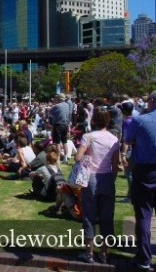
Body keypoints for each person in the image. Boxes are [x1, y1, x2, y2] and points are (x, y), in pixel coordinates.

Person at [75, 106, 119, 264]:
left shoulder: (88, 136)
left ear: (93, 120)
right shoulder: (114, 139)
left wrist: (84, 156)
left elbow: (78, 157)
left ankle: (89, 254)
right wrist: (111, 179)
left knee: (89, 216)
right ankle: (104, 253)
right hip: (107, 177)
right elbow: (116, 164)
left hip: (91, 178)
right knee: (107, 217)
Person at [124, 91, 156, 271]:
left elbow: (128, 139)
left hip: (146, 171)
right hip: (146, 169)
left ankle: (144, 258)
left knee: (144, 215)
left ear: (151, 102)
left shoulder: (140, 120)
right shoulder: (140, 119)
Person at [48, 93, 71, 164]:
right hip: (65, 125)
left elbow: (50, 114)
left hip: (58, 125)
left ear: (58, 99)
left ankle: (57, 158)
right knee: (65, 142)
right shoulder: (67, 105)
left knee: (57, 142)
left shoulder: (56, 106)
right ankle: (65, 158)